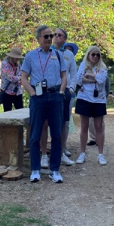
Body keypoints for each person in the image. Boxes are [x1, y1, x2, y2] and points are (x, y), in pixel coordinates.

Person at [21, 25, 67, 183]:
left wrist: (61, 92)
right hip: (38, 97)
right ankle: (35, 169)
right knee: (35, 134)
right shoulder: (30, 56)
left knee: (57, 135)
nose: (49, 39)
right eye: (46, 36)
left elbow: (64, 75)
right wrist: (33, 94)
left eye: (51, 36)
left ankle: (55, 170)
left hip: (55, 96)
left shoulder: (58, 55)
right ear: (38, 38)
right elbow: (23, 78)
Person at [40, 28, 77, 167]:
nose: (55, 37)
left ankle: (61, 153)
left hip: (63, 92)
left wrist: (70, 89)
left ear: (65, 39)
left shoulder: (69, 55)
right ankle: (44, 155)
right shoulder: (45, 52)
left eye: (59, 35)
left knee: (62, 123)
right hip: (47, 91)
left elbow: (73, 73)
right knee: (44, 123)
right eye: (54, 35)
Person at [75, 46, 108, 166]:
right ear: (88, 55)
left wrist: (89, 76)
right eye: (93, 54)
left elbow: (101, 79)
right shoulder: (83, 65)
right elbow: (78, 80)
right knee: (84, 127)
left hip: (99, 99)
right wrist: (93, 78)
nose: (95, 57)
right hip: (84, 98)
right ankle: (82, 153)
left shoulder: (103, 67)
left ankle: (101, 154)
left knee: (99, 127)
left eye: (97, 55)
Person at [0, 47, 24, 111]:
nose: (17, 59)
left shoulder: (18, 65)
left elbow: (21, 73)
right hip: (7, 91)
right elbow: (10, 77)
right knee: (7, 112)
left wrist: (20, 79)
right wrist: (19, 78)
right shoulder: (5, 64)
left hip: (17, 91)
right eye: (16, 58)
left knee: (20, 110)